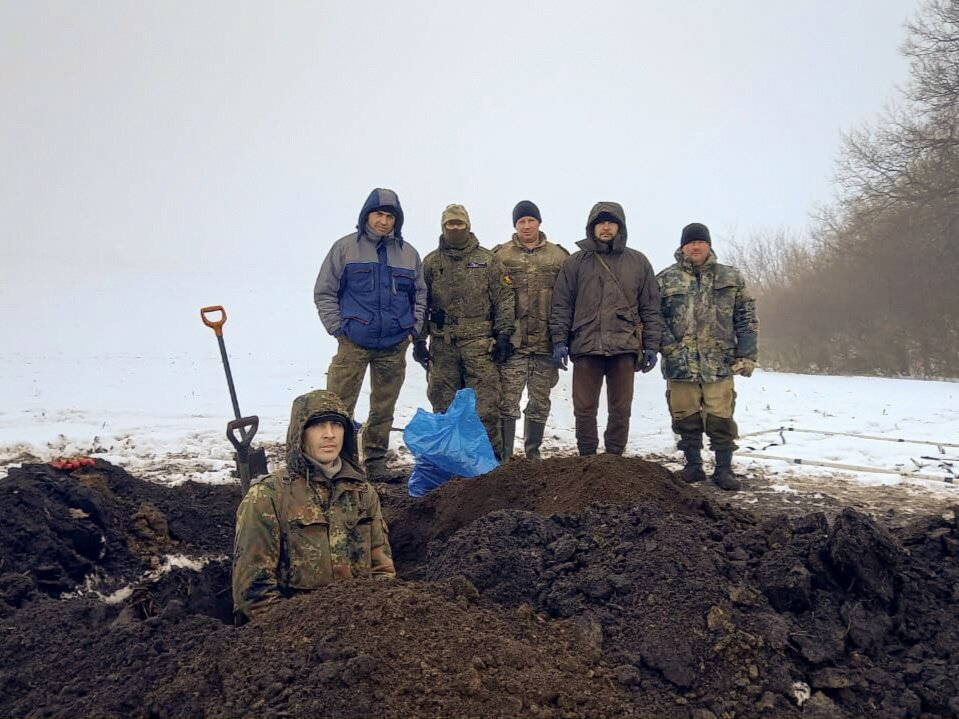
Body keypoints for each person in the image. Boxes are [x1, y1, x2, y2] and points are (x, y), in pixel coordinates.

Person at [232, 389, 395, 621]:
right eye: (318, 425)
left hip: (359, 629)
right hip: (292, 635)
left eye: (337, 425)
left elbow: (383, 572)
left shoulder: (362, 493)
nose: (330, 434)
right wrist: (299, 633)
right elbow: (252, 592)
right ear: (301, 433)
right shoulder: (268, 496)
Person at [313, 188, 427, 480]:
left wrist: (413, 329)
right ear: (366, 216)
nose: (384, 221)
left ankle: (375, 462)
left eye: (390, 216)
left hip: (393, 344)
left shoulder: (409, 254)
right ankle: (339, 463)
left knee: (383, 408)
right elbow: (325, 291)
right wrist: (338, 328)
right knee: (337, 406)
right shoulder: (345, 249)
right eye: (378, 214)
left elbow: (420, 294)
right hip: (353, 342)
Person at [550, 202, 663, 456]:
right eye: (600, 223)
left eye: (611, 222)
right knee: (584, 407)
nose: (605, 227)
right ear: (591, 227)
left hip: (624, 346)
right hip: (586, 345)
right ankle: (587, 456)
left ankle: (614, 457)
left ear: (620, 227)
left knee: (621, 407)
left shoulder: (638, 262)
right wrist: (559, 341)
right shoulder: (576, 263)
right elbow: (561, 305)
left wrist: (652, 346)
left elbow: (651, 308)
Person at [656, 222, 759, 491]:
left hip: (719, 363)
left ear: (709, 245)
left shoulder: (730, 278)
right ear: (682, 247)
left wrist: (747, 354)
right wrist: (669, 348)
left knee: (721, 417)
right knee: (684, 416)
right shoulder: (666, 279)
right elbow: (653, 319)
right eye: (691, 242)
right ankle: (693, 466)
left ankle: (723, 469)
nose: (696, 246)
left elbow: (746, 317)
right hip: (681, 364)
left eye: (701, 242)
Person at [414, 203, 515, 458]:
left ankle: (491, 468)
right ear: (443, 227)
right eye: (450, 224)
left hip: (480, 347)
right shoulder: (431, 263)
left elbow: (504, 299)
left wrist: (504, 335)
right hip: (443, 346)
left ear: (468, 226)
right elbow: (420, 303)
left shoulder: (487, 261)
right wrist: (418, 340)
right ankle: (449, 465)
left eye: (460, 224)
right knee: (443, 408)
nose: (455, 228)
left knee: (486, 410)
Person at [493, 201, 569, 460]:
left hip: (546, 346)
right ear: (515, 225)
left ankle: (532, 455)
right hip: (514, 345)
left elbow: (568, 298)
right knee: (507, 402)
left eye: (531, 220)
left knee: (539, 403)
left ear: (539, 222)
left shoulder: (559, 257)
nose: (526, 226)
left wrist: (563, 339)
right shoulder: (501, 256)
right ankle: (503, 459)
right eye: (521, 221)